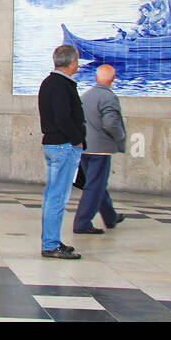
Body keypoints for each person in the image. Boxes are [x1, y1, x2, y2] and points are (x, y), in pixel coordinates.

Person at [38, 44, 86, 260]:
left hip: (55, 145)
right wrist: (77, 140)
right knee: (57, 197)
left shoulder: (50, 82)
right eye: (77, 61)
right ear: (72, 62)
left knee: (53, 196)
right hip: (62, 146)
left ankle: (52, 241)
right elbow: (62, 117)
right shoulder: (60, 85)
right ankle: (50, 244)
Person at [73, 64, 127, 235]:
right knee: (94, 186)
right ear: (113, 79)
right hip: (100, 149)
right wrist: (121, 137)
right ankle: (82, 222)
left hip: (85, 148)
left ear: (96, 78)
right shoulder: (108, 97)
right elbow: (111, 123)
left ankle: (110, 217)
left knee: (97, 183)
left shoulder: (85, 96)